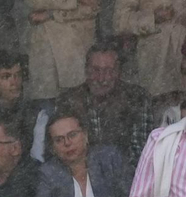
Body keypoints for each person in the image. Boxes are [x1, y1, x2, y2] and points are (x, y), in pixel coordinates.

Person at [55, 40, 153, 171]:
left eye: (108, 70)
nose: (101, 78)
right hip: (79, 174)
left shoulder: (137, 98)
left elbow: (141, 152)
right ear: (86, 70)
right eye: (95, 70)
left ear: (118, 71)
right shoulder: (68, 100)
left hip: (123, 175)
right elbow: (60, 150)